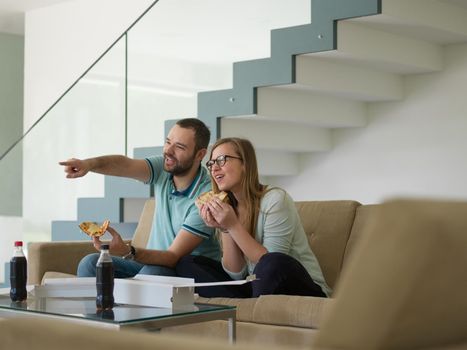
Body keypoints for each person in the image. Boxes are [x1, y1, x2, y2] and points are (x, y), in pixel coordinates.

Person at [59, 118, 219, 278]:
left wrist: (128, 251)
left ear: (200, 154)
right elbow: (125, 165)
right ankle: (102, 304)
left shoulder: (207, 198)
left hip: (183, 272)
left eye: (179, 147)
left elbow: (172, 257)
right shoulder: (164, 168)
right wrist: (89, 164)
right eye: (168, 142)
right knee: (90, 264)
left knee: (152, 273)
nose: (168, 151)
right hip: (148, 265)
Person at [176, 137, 332, 298]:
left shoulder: (275, 199)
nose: (214, 169)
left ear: (245, 164)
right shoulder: (228, 207)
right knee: (187, 264)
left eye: (222, 160)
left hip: (299, 286)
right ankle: (245, 306)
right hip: (255, 284)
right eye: (211, 163)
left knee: (271, 263)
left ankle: (250, 302)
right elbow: (236, 274)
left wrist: (232, 226)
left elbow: (270, 264)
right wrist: (224, 228)